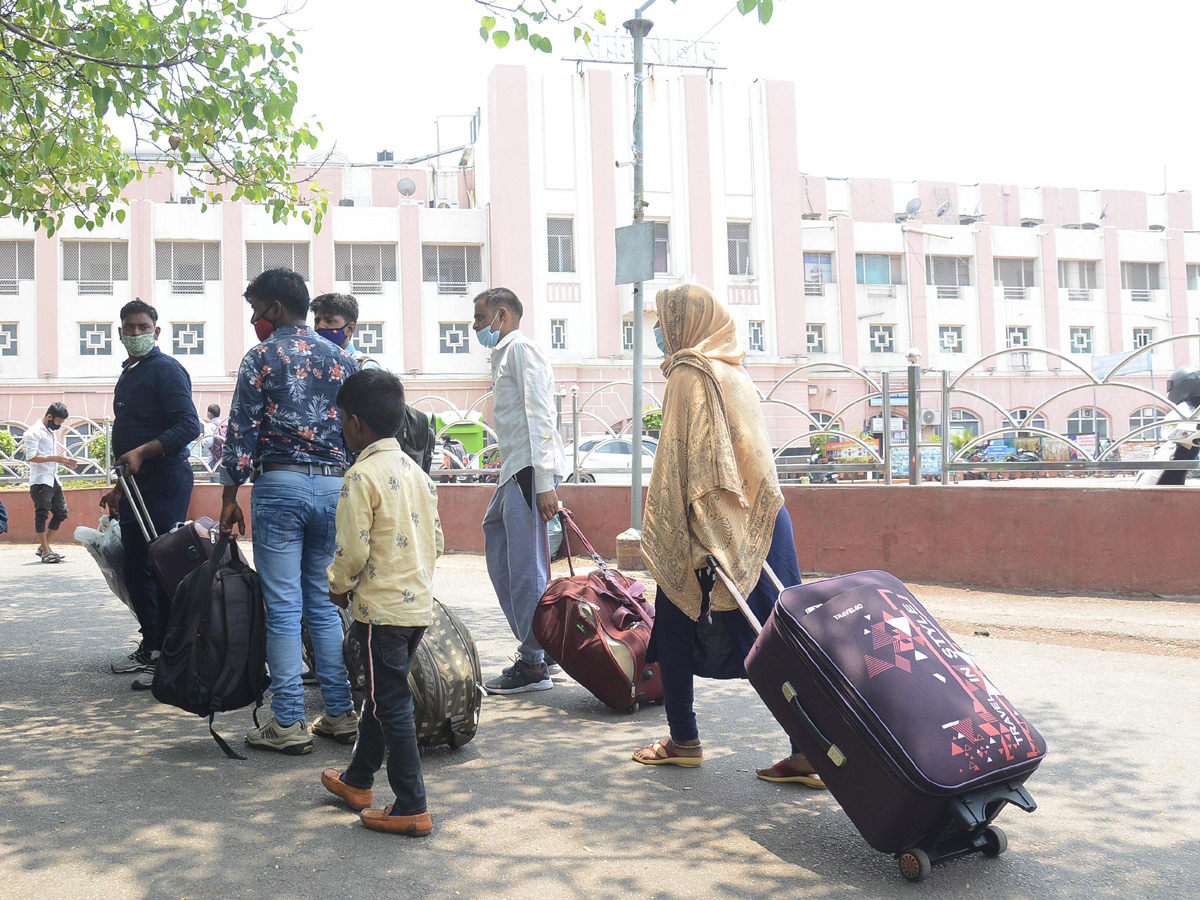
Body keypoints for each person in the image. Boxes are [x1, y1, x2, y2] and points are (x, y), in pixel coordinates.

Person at [631, 284, 826, 788]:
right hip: (762, 519)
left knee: (675, 626)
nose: (658, 331)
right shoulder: (732, 370)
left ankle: (684, 741)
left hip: (711, 526)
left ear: (682, 323)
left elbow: (688, 465)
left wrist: (693, 540)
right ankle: (810, 749)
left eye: (663, 321)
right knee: (779, 635)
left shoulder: (688, 373)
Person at [219, 267, 359, 755]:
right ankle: (340, 713)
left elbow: (241, 431)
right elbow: (355, 432)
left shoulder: (259, 357)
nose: (256, 319)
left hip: (279, 485)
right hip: (333, 486)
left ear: (275, 309)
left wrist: (228, 496)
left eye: (257, 310)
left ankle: (288, 722)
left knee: (282, 608)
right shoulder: (343, 360)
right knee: (323, 604)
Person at [320, 368, 443, 836]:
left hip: (379, 613)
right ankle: (357, 780)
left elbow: (352, 549)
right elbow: (436, 540)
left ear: (354, 423)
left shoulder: (360, 476)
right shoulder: (417, 473)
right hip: (415, 608)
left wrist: (338, 584)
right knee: (381, 695)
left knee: (389, 702)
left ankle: (412, 805)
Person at [100, 300, 202, 690]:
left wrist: (143, 452)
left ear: (156, 332)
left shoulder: (166, 369)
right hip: (136, 484)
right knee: (137, 564)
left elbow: (188, 425)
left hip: (163, 480)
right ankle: (154, 643)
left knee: (157, 564)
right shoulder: (131, 373)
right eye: (130, 328)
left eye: (144, 327)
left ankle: (167, 652)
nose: (137, 334)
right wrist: (118, 487)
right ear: (121, 332)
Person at [472, 287, 569, 694]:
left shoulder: (522, 351)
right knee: (497, 540)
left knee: (526, 567)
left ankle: (533, 664)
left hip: (531, 471)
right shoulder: (504, 354)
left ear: (502, 315)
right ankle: (542, 645)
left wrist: (544, 483)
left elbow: (541, 415)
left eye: (479, 318)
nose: (475, 327)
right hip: (514, 470)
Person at [23, 402, 78, 563]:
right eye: (58, 422)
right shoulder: (33, 433)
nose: (59, 426)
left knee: (61, 513)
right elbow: (31, 457)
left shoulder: (49, 431)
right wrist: (56, 458)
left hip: (52, 478)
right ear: (49, 416)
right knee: (42, 514)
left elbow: (48, 455)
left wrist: (65, 461)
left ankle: (44, 546)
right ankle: (46, 550)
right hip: (40, 480)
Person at [311, 291, 379, 370]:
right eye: (317, 321)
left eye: (329, 321)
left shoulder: (365, 367)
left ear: (350, 329)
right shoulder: (311, 363)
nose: (320, 326)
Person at [199, 403, 224, 467]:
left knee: (214, 475)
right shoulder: (224, 424)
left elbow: (208, 443)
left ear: (210, 414)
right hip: (224, 458)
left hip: (214, 459)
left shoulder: (209, 426)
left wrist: (202, 439)